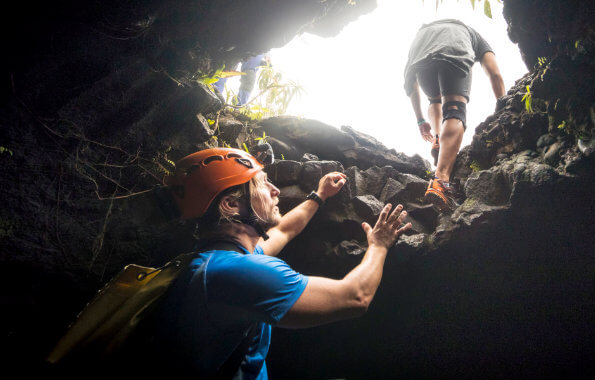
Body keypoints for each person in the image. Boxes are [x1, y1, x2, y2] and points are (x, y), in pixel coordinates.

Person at [144, 146, 411, 379]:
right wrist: (379, 244)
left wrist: (320, 195)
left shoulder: (218, 261)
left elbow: (284, 231)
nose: (275, 190)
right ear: (230, 205)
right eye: (261, 183)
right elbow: (355, 297)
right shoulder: (234, 272)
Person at [404, 19, 505, 213]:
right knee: (454, 109)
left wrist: (420, 120)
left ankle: (437, 137)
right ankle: (440, 180)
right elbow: (495, 74)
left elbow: (410, 82)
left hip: (420, 56)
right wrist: (505, 107)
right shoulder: (472, 34)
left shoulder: (423, 33)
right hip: (454, 51)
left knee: (434, 99)